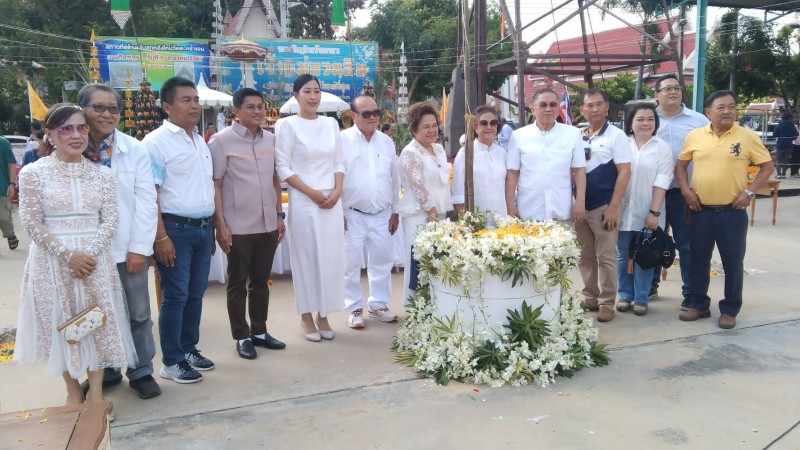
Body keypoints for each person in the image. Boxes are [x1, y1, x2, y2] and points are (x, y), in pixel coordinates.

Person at [14, 103, 136, 413]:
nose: (76, 134)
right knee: (61, 323)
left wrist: (88, 255)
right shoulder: (33, 173)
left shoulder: (103, 175)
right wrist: (67, 255)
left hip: (94, 262)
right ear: (51, 135)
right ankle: (72, 389)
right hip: (52, 262)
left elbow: (109, 220)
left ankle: (96, 392)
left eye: (81, 128)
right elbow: (30, 221)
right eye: (66, 128)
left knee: (95, 322)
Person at [76, 84, 161, 399]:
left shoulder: (134, 149)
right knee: (95, 316)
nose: (107, 114)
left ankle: (141, 371)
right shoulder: (73, 150)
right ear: (82, 109)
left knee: (138, 313)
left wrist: (139, 247)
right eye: (99, 107)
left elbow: (145, 200)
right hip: (87, 253)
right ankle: (107, 371)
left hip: (127, 249)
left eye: (113, 108)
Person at [677, 90, 774, 329]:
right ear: (708, 112)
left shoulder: (747, 136)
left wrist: (750, 192)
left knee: (733, 262)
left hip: (732, 212)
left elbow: (767, 166)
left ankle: (730, 309)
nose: (727, 111)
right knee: (699, 260)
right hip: (700, 211)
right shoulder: (695, 136)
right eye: (721, 107)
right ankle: (698, 304)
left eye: (731, 106)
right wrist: (685, 191)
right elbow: (680, 166)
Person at [144, 77, 216, 383]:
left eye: (196, 100)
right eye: (186, 100)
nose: (194, 105)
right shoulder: (156, 142)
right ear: (167, 106)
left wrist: (213, 228)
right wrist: (160, 237)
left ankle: (189, 349)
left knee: (196, 294)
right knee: (175, 295)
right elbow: (151, 194)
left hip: (203, 229)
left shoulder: (200, 141)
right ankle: (171, 361)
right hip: (174, 229)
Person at [209, 87, 286, 359]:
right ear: (236, 112)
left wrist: (279, 215)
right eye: (250, 107)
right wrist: (221, 224)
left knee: (261, 282)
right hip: (238, 227)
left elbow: (275, 180)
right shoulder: (220, 142)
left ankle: (260, 331)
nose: (257, 111)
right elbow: (216, 185)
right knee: (238, 283)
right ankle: (241, 336)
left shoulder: (271, 140)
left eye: (260, 106)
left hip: (267, 224)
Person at [275, 74, 345, 342]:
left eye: (317, 91)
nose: (313, 97)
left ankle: (324, 314)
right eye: (307, 91)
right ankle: (305, 314)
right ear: (296, 95)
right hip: (304, 199)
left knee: (330, 258)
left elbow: (339, 162)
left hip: (332, 200)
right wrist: (312, 192)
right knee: (306, 258)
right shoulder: (287, 125)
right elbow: (282, 166)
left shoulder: (330, 124)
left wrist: (336, 191)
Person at [649, 73, 709, 308]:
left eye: (676, 88)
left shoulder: (699, 121)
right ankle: (649, 287)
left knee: (687, 244)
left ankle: (690, 293)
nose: (672, 92)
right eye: (666, 89)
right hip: (655, 193)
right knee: (651, 240)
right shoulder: (648, 120)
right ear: (657, 95)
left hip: (686, 193)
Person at [341, 95, 400, 329]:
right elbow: (334, 177)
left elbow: (394, 179)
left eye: (377, 113)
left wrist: (395, 210)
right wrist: (339, 212)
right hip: (351, 214)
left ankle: (378, 304)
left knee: (382, 262)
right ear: (353, 116)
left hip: (382, 214)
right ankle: (354, 307)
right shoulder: (341, 140)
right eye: (367, 114)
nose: (373, 117)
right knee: (351, 263)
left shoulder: (386, 142)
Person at [574, 89, 632, 323]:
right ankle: (590, 297)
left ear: (607, 107)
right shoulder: (577, 136)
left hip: (603, 206)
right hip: (579, 207)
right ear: (582, 110)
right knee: (584, 256)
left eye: (599, 104)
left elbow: (625, 172)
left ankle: (607, 302)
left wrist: (613, 207)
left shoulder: (616, 136)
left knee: (606, 256)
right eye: (590, 105)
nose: (595, 109)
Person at [616, 104, 674, 316]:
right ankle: (624, 295)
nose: (645, 123)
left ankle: (641, 298)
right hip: (622, 209)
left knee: (646, 254)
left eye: (650, 119)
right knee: (622, 254)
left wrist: (654, 212)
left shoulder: (661, 147)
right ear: (631, 123)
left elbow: (663, 180)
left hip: (649, 209)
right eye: (640, 119)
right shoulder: (622, 144)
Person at [398, 101, 452, 303]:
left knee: (436, 257)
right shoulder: (410, 153)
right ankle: (415, 304)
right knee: (418, 258)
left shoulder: (438, 149)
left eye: (434, 125)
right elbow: (418, 187)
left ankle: (434, 301)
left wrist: (440, 213)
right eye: (425, 127)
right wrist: (431, 213)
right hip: (421, 215)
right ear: (413, 130)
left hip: (439, 212)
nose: (431, 130)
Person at [505, 88, 586, 222]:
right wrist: (510, 205)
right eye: (543, 105)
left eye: (553, 105)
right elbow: (512, 172)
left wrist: (580, 201)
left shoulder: (572, 134)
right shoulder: (519, 136)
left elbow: (580, 170)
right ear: (533, 109)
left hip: (561, 208)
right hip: (528, 209)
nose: (548, 109)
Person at [451, 105, 508, 216]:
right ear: (475, 126)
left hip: (501, 215)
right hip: (477, 218)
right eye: (484, 123)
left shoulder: (502, 153)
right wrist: (467, 220)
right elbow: (458, 192)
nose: (489, 127)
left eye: (493, 123)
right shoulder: (465, 152)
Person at [0, 136, 19, 251]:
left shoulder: (3, 142)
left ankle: (10, 234)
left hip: (2, 188)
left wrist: (12, 184)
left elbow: (12, 164)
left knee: (4, 218)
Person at [773, 112, 798, 179]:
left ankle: (778, 174)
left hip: (780, 145)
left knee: (778, 160)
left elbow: (774, 135)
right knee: (785, 160)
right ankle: (783, 174)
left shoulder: (778, 125)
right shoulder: (792, 125)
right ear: (789, 118)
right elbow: (796, 134)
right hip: (789, 145)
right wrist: (791, 138)